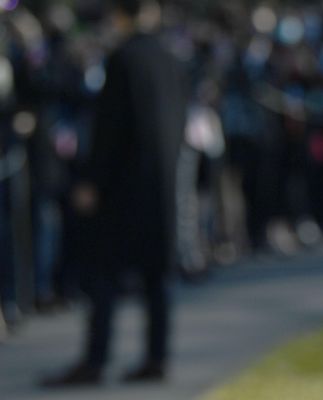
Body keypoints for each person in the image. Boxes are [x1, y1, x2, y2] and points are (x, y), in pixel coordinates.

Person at [41, 0, 186, 386]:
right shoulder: (170, 59)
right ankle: (156, 355)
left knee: (104, 275)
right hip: (161, 186)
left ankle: (95, 358)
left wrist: (92, 181)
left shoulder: (124, 60)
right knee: (156, 279)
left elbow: (110, 128)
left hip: (124, 190)